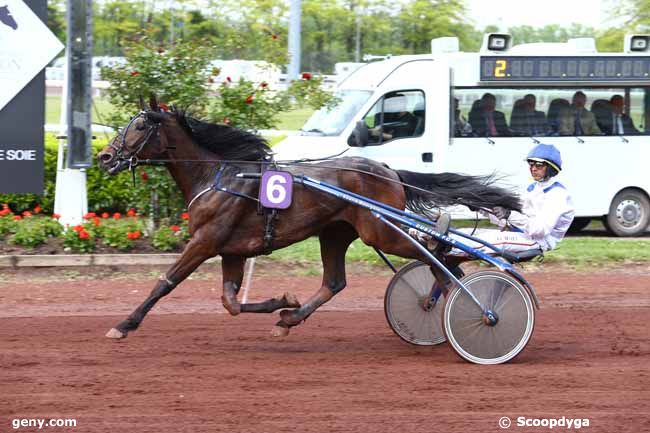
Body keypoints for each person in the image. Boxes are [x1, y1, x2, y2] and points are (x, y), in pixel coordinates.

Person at [450, 144, 575, 256]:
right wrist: (480, 208)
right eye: (531, 164)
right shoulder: (532, 189)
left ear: (551, 168)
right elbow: (508, 221)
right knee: (462, 233)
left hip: (538, 241)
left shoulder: (558, 195)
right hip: (520, 233)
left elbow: (539, 230)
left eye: (539, 165)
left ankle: (448, 248)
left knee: (490, 239)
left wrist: (509, 214)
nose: (533, 168)